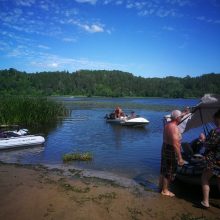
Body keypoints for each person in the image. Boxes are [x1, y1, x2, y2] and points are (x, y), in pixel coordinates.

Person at [160, 109, 185, 197]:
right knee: (169, 170)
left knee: (164, 168)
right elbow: (175, 144)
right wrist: (180, 158)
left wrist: (185, 113)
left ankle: (161, 186)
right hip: (170, 149)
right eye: (181, 117)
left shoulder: (168, 124)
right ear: (177, 118)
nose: (181, 118)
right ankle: (165, 190)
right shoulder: (173, 127)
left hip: (165, 147)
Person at [201, 110, 220, 208]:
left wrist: (203, 139)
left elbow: (209, 145)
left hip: (214, 160)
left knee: (205, 177)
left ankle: (205, 202)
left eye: (215, 119)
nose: (214, 121)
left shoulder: (216, 131)